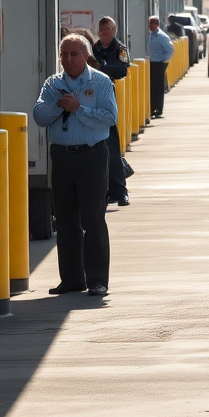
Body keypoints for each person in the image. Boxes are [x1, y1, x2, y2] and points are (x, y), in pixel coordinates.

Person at [32, 34, 117, 296]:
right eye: (64, 55)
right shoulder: (52, 84)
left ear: (85, 55)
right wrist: (60, 107)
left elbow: (109, 117)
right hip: (61, 156)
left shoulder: (100, 82)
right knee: (66, 220)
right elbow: (39, 115)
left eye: (74, 54)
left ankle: (97, 280)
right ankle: (71, 279)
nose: (68, 59)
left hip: (91, 155)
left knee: (93, 218)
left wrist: (79, 108)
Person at [91, 16, 130, 206]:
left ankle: (120, 190)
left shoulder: (120, 48)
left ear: (114, 30)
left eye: (108, 29)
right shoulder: (93, 48)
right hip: (91, 97)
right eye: (102, 29)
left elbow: (122, 70)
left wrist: (102, 67)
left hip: (108, 97)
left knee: (112, 145)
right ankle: (103, 190)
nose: (104, 33)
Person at [146, 15, 174, 118]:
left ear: (156, 24)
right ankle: (152, 107)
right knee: (152, 87)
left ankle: (158, 109)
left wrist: (162, 60)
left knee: (158, 87)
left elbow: (170, 50)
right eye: (149, 23)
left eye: (152, 23)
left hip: (158, 64)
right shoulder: (149, 35)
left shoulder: (161, 36)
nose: (150, 25)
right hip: (150, 64)